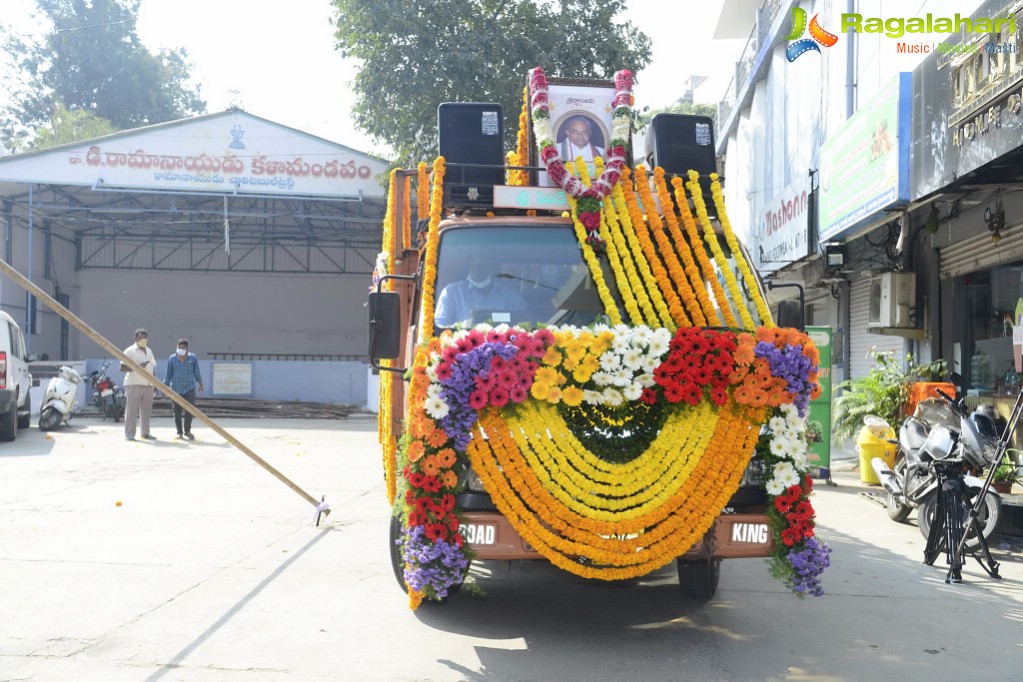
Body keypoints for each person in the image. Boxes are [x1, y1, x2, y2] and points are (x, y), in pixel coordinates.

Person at [434, 255, 527, 328]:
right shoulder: (451, 292)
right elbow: (440, 326)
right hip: (461, 349)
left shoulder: (512, 297)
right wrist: (462, 328)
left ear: (492, 267)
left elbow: (523, 327)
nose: (477, 268)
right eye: (473, 263)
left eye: (482, 263)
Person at [121, 328, 157, 441]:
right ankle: (130, 434)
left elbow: (152, 367)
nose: (143, 340)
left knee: (146, 410)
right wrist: (137, 367)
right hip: (134, 383)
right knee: (132, 410)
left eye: (145, 338)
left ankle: (145, 433)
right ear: (135, 338)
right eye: (140, 337)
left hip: (148, 384)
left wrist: (154, 383)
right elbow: (122, 367)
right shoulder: (129, 351)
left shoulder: (149, 351)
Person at [164, 338, 204, 440]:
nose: (181, 349)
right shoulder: (172, 358)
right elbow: (168, 373)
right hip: (176, 389)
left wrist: (200, 384)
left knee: (190, 411)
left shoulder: (192, 358)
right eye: (179, 347)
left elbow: (197, 372)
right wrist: (165, 386)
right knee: (177, 412)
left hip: (189, 388)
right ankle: (179, 432)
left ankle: (187, 431)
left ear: (187, 348)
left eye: (183, 347)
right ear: (176, 347)